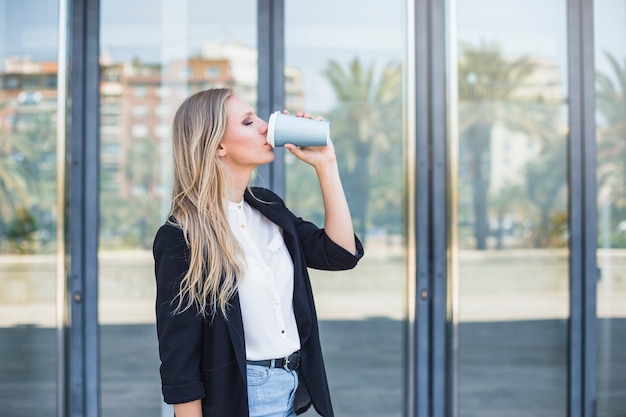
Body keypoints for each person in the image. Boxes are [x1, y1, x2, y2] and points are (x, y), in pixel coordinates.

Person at [153, 87, 364, 417]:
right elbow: (180, 360)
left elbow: (340, 253)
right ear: (218, 145)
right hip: (243, 398)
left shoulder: (268, 208)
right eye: (249, 122)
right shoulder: (182, 237)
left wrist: (327, 165)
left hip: (292, 390)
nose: (266, 126)